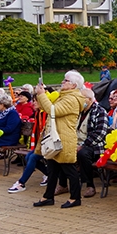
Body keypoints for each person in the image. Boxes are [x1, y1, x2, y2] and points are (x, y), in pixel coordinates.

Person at [33, 71, 85, 209]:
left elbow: (53, 110)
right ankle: (48, 196)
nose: (62, 82)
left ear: (74, 85)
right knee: (52, 169)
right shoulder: (64, 96)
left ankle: (75, 198)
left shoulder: (72, 98)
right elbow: (46, 107)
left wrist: (41, 94)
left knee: (69, 169)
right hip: (56, 138)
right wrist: (42, 95)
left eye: (65, 80)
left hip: (64, 138)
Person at [53, 88, 107, 198]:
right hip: (76, 141)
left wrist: (82, 145)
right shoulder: (78, 111)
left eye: (81, 98)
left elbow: (100, 133)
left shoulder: (100, 111)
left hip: (95, 145)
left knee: (83, 154)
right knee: (62, 151)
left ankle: (90, 185)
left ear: (89, 99)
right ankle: (63, 184)